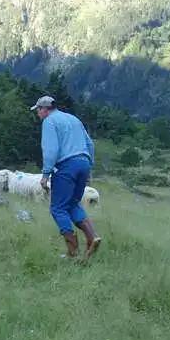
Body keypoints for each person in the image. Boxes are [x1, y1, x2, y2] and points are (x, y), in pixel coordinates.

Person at [30, 95, 102, 262]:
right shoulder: (73, 119)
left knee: (57, 208)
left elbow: (51, 150)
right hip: (83, 163)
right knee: (72, 204)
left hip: (66, 166)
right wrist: (88, 165)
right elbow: (89, 143)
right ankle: (93, 238)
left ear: (44, 109)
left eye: (38, 110)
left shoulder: (49, 122)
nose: (38, 114)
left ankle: (72, 252)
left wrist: (46, 174)